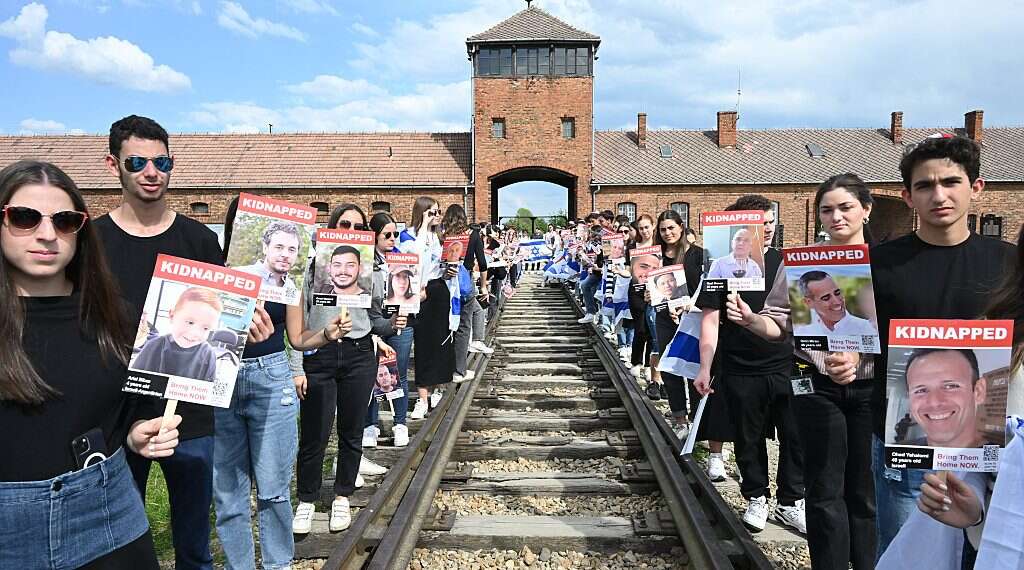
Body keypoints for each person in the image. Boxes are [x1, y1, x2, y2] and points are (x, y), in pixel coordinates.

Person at [94, 115, 271, 570]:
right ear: (114, 165)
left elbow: (223, 315)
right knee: (118, 544)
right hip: (115, 414)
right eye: (137, 162)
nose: (151, 172)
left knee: (193, 542)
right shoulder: (92, 241)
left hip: (188, 412)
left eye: (161, 162)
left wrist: (247, 324)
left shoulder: (197, 239)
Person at [0, 160, 180, 568]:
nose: (47, 235)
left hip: (108, 513)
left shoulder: (115, 316)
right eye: (24, 218)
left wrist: (138, 433)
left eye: (65, 221)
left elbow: (132, 404)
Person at [869, 136, 1013, 559]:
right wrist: (844, 361)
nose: (939, 195)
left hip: (987, 446)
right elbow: (855, 343)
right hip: (905, 442)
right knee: (904, 554)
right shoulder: (879, 264)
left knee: (984, 555)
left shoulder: (1008, 264)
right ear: (907, 196)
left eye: (951, 182)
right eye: (925, 186)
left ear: (977, 186)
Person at [734, 174, 877, 569]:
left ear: (866, 209)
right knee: (824, 487)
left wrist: (862, 361)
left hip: (872, 389)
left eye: (845, 207)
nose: (836, 217)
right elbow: (778, 321)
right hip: (816, 386)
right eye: (827, 209)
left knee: (865, 491)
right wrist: (751, 320)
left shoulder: (885, 261)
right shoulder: (803, 262)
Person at [212, 196, 330, 569]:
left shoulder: (291, 282)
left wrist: (327, 334)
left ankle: (278, 564)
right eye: (278, 246)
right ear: (259, 244)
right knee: (228, 494)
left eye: (291, 248)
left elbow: (297, 338)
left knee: (274, 490)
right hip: (221, 375)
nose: (284, 253)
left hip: (271, 375)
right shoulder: (218, 271)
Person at [694, 195, 805, 534]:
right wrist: (705, 366)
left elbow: (803, 315)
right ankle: (756, 495)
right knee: (749, 436)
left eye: (770, 221)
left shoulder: (787, 263)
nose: (767, 228)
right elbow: (710, 320)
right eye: (759, 222)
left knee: (795, 435)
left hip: (787, 363)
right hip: (741, 364)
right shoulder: (719, 266)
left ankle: (790, 501)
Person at [293, 203, 395, 534]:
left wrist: (395, 322)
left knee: (351, 430)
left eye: (356, 227)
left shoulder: (372, 272)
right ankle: (307, 499)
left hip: (358, 353)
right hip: (320, 353)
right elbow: (297, 326)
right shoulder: (311, 270)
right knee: (314, 432)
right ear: (331, 227)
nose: (349, 231)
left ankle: (342, 495)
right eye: (343, 224)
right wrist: (298, 366)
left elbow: (378, 318)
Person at [399, 197, 457, 419]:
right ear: (422, 213)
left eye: (438, 212)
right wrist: (423, 227)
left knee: (439, 344)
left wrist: (448, 271)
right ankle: (422, 397)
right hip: (417, 291)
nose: (437, 216)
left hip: (437, 290)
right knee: (422, 346)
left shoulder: (440, 237)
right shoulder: (409, 236)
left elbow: (437, 266)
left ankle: (435, 389)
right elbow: (414, 261)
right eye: (432, 212)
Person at [364, 211, 413, 449]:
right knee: (372, 373)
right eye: (387, 234)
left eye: (395, 234)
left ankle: (400, 423)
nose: (393, 238)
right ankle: (370, 424)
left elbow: (415, 289)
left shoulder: (403, 259)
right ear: (374, 235)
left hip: (401, 320)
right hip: (373, 319)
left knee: (399, 373)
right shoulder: (365, 262)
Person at [652, 209, 702, 441]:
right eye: (663, 229)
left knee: (692, 368)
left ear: (681, 227)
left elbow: (704, 287)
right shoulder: (655, 258)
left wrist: (692, 304)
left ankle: (697, 418)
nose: (667, 233)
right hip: (665, 318)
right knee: (670, 369)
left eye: (671, 228)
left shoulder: (697, 255)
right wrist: (647, 295)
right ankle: (680, 420)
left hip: (692, 319)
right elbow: (651, 290)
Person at [131, 287, 221, 381]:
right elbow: (132, 380)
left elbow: (208, 389)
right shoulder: (153, 346)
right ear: (172, 316)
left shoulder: (208, 354)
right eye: (190, 322)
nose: (195, 333)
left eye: (206, 328)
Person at [902, 349, 986, 448]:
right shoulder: (892, 457)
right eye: (921, 390)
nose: (934, 402)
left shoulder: (1004, 459)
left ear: (978, 392)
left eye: (950, 386)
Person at [793, 270, 877, 337]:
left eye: (837, 293)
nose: (837, 301)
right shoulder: (803, 333)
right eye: (826, 298)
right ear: (809, 303)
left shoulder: (866, 328)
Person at [234, 221, 301, 294]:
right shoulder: (238, 275)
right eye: (279, 247)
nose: (285, 255)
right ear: (265, 248)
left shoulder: (291, 288)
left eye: (291, 250)